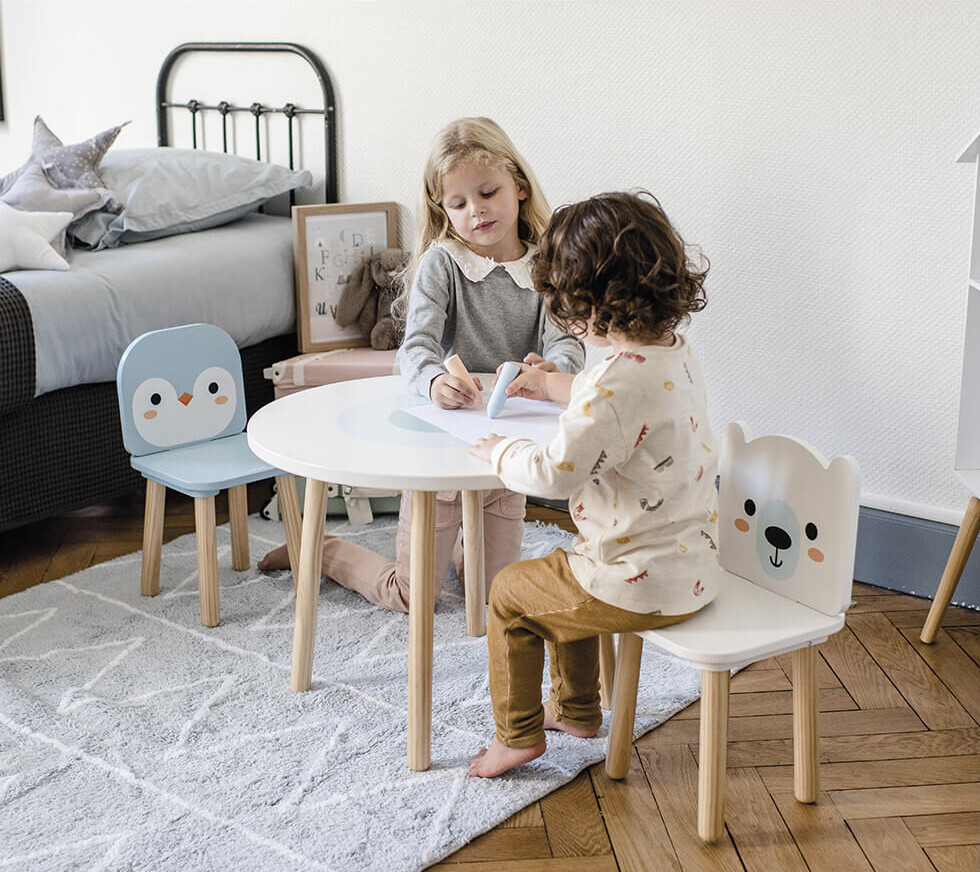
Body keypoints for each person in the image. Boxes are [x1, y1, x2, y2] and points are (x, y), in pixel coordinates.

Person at [258, 117, 584, 611]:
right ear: (442, 209)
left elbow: (568, 344)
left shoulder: (547, 265)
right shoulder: (443, 263)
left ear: (519, 186)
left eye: (488, 193)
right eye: (458, 203)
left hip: (510, 447)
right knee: (412, 596)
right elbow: (415, 350)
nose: (476, 211)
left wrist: (551, 370)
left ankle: (459, 545)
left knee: (491, 595)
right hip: (441, 450)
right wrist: (433, 382)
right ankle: (322, 550)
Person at [466, 190, 719, 777]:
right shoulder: (671, 354)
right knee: (560, 574)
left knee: (511, 594)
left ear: (590, 302)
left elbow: (554, 472)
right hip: (693, 566)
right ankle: (578, 711)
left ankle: (517, 734)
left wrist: (501, 451)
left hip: (637, 583)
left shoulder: (612, 386)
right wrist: (549, 385)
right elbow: (607, 394)